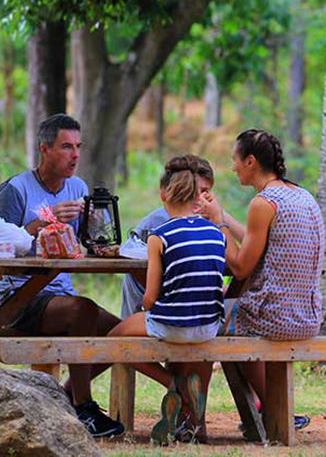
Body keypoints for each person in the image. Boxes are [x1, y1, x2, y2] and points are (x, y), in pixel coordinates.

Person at [0, 114, 124, 438]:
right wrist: (43, 222)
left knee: (121, 332)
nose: (75, 155)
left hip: (60, 293)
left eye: (78, 146)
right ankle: (84, 408)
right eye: (66, 147)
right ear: (44, 149)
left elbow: (79, 244)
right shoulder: (15, 190)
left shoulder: (77, 188)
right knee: (84, 310)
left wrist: (97, 234)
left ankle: (62, 396)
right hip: (18, 298)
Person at [199, 129, 324, 431]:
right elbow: (257, 239)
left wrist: (216, 223)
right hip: (307, 316)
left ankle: (271, 407)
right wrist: (223, 216)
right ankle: (267, 407)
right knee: (233, 313)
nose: (233, 167)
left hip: (277, 318)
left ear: (251, 161)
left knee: (210, 319)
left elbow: (241, 267)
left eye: (235, 160)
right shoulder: (299, 194)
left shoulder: (263, 203)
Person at [108, 156, 226, 444]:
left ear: (164, 195)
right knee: (180, 335)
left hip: (172, 325)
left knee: (114, 339)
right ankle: (189, 419)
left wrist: (146, 308)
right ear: (198, 198)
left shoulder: (158, 236)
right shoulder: (216, 232)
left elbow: (150, 296)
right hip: (209, 327)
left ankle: (174, 384)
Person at [119, 154, 216, 319]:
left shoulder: (208, 223)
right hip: (150, 312)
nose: (199, 198)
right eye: (194, 190)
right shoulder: (158, 223)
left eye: (205, 191)